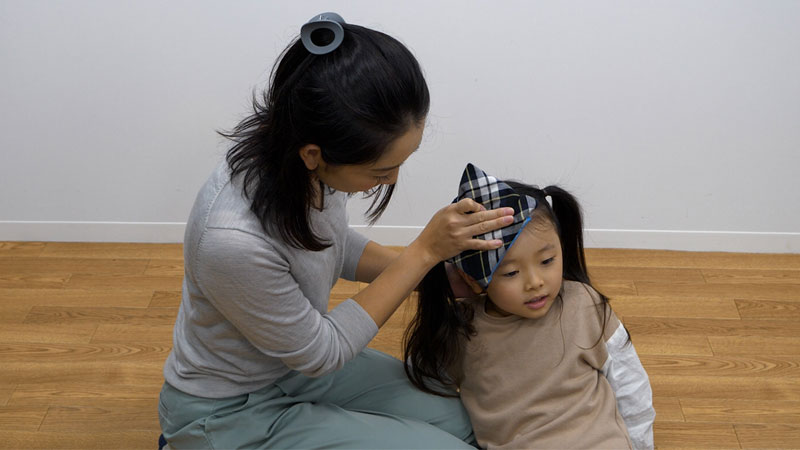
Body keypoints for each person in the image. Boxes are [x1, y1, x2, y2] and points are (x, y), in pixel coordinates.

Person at [158, 13, 515, 450]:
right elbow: (320, 351)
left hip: (288, 365)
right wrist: (423, 254)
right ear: (314, 154)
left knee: (460, 421)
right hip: (230, 408)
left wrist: (436, 274)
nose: (391, 181)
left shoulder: (299, 161)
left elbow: (330, 244)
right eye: (382, 170)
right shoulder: (230, 240)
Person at [404, 164, 656, 449]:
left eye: (547, 261)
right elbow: (427, 383)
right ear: (471, 279)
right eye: (511, 273)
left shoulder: (584, 305)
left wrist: (641, 444)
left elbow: (629, 383)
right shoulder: (463, 330)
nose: (535, 282)